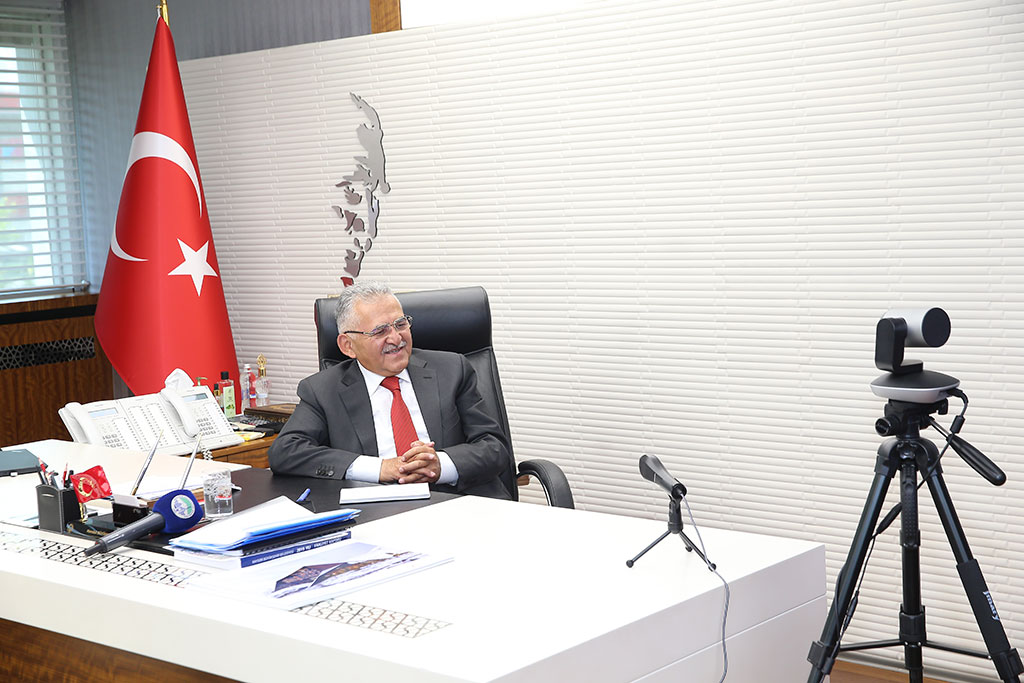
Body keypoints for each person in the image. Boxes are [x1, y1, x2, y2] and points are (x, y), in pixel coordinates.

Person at [267, 281, 512, 499]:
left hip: (460, 504)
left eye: (400, 324)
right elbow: (286, 452)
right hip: (378, 510)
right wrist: (381, 468)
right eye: (380, 331)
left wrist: (441, 465)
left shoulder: (452, 369)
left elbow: (493, 446)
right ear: (348, 345)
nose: (396, 338)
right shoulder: (322, 390)